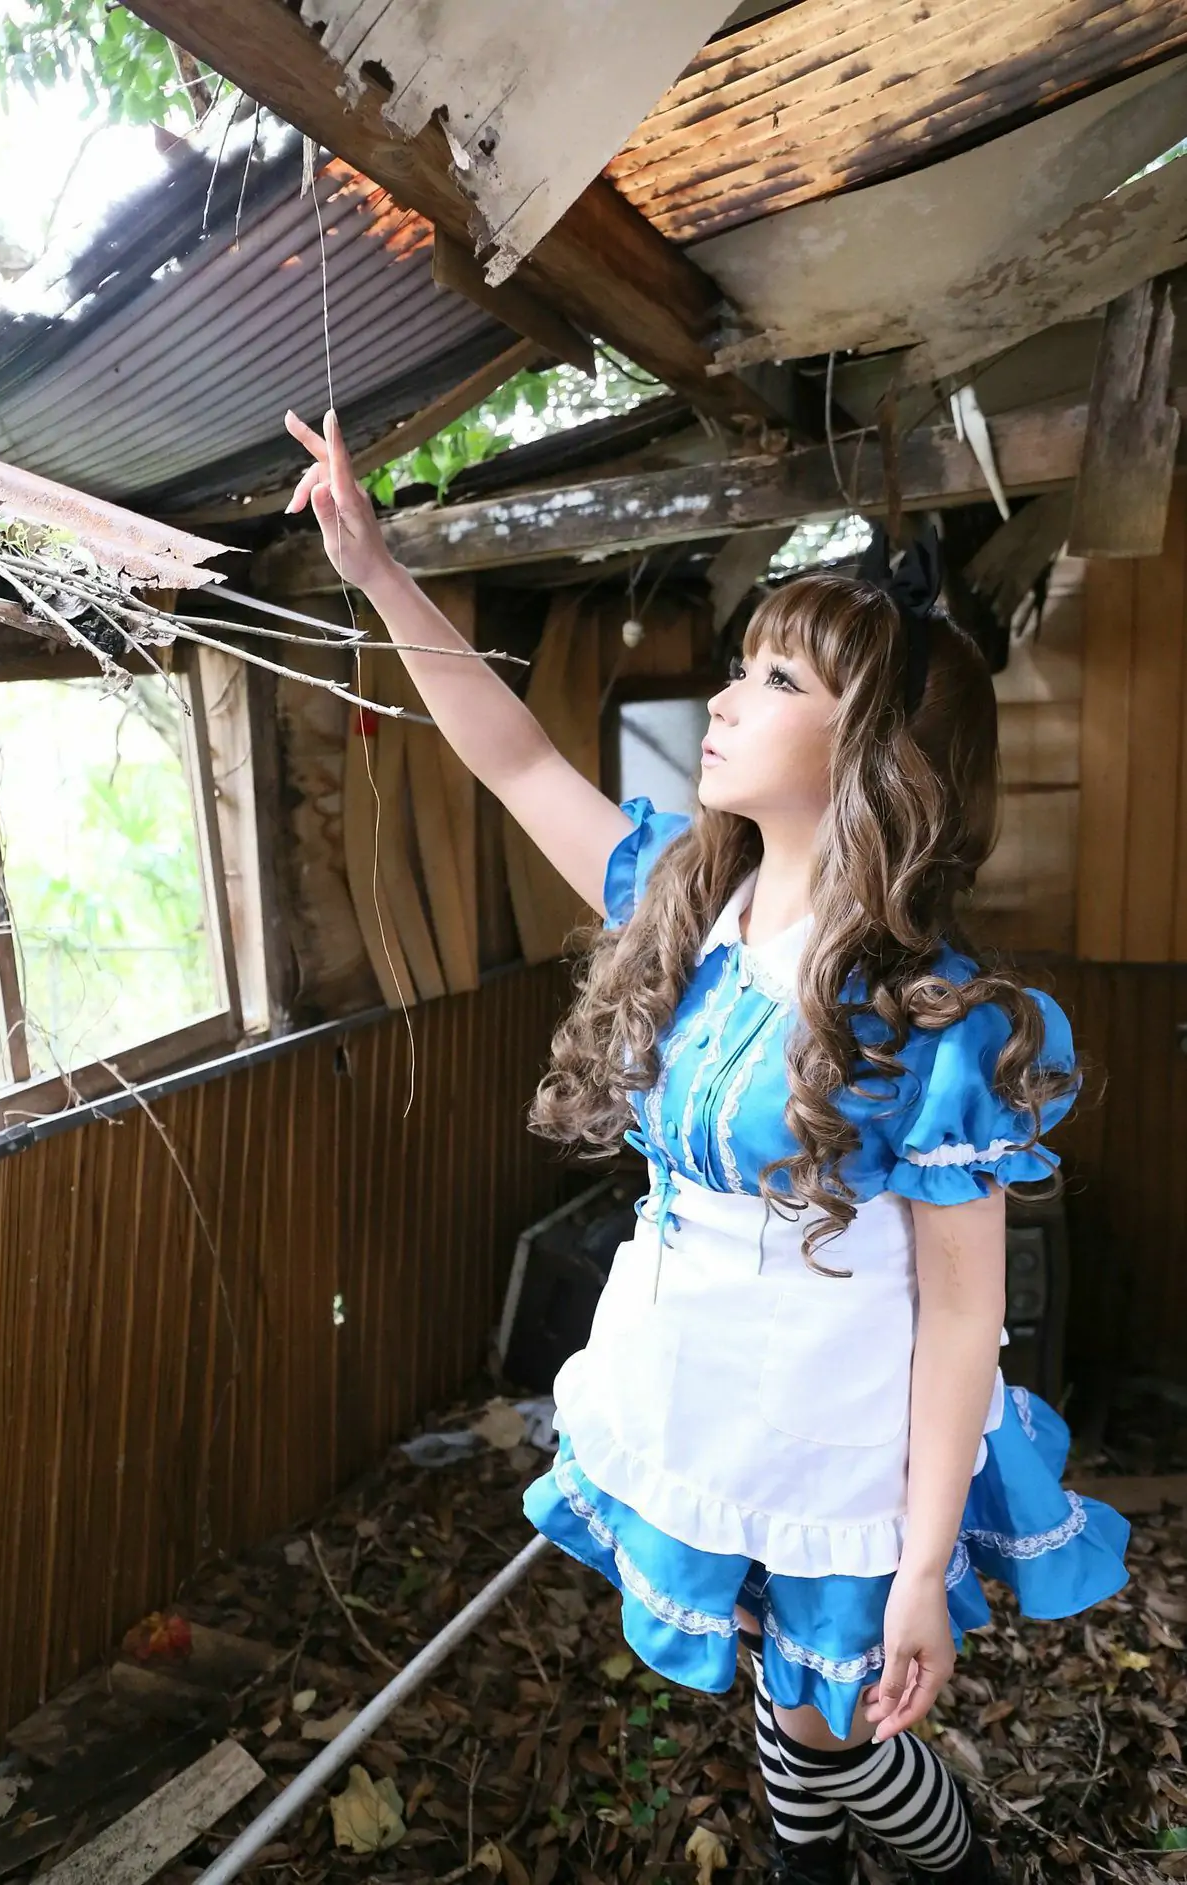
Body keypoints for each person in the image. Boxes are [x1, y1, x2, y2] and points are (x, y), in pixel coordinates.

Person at [285, 409, 1130, 1884]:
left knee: (833, 1727)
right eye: (743, 666)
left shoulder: (938, 1025)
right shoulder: (681, 908)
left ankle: (961, 1871)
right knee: (777, 1687)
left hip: (838, 1436)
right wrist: (375, 569)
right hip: (689, 1387)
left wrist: (923, 1566)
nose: (728, 701)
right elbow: (512, 758)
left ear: (874, 753)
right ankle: (817, 1871)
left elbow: (962, 1326)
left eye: (778, 679)